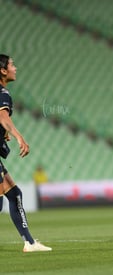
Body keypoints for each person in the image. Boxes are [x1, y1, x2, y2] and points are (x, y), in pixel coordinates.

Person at [0, 54, 52, 252]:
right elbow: (2, 115)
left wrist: (3, 133)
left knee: (14, 194)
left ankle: (30, 243)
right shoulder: (2, 93)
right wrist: (19, 136)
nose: (15, 68)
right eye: (12, 65)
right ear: (3, 71)